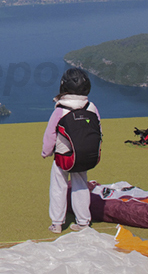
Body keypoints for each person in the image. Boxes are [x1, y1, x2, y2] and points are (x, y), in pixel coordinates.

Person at [41, 68, 101, 234]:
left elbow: (50, 134)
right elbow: (99, 130)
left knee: (58, 187)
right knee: (81, 186)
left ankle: (57, 223)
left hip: (64, 157)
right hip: (85, 156)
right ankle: (83, 222)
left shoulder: (60, 110)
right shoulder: (91, 107)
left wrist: (46, 152)